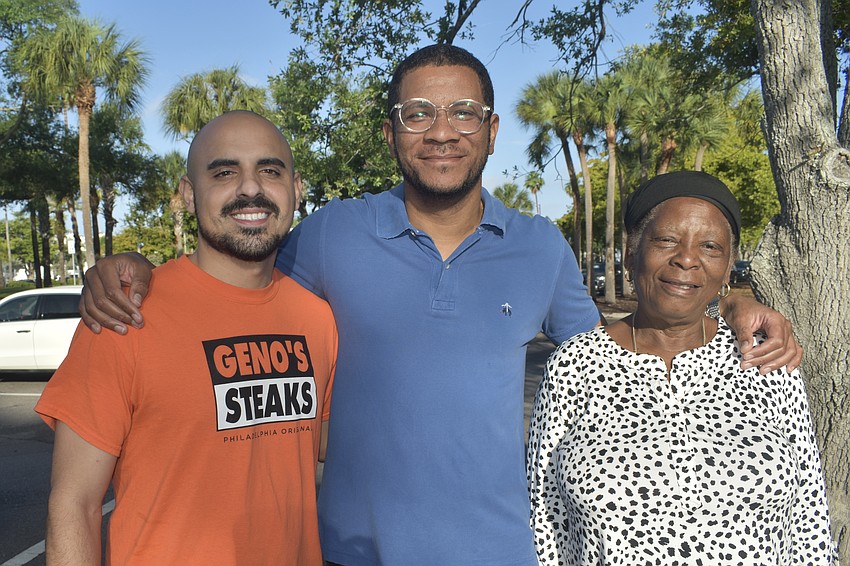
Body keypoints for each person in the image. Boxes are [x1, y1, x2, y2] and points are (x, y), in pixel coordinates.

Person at [78, 47, 802, 565]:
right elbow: (235, 271)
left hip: (504, 552)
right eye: (418, 113)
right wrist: (135, 269)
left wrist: (733, 298)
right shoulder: (331, 233)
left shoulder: (539, 245)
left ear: (492, 130)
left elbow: (622, 350)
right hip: (351, 552)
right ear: (391, 131)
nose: (442, 131)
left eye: (464, 113)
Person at [35, 111, 337, 565]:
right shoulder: (125, 314)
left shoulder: (317, 319)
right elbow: (74, 504)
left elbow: (326, 448)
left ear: (295, 190)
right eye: (224, 172)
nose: (250, 188)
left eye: (270, 171)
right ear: (189, 195)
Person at [527, 171, 835, 565]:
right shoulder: (575, 364)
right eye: (667, 240)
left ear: (727, 269)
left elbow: (810, 518)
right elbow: (545, 518)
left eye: (710, 246)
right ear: (632, 254)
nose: (687, 258)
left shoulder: (766, 358)